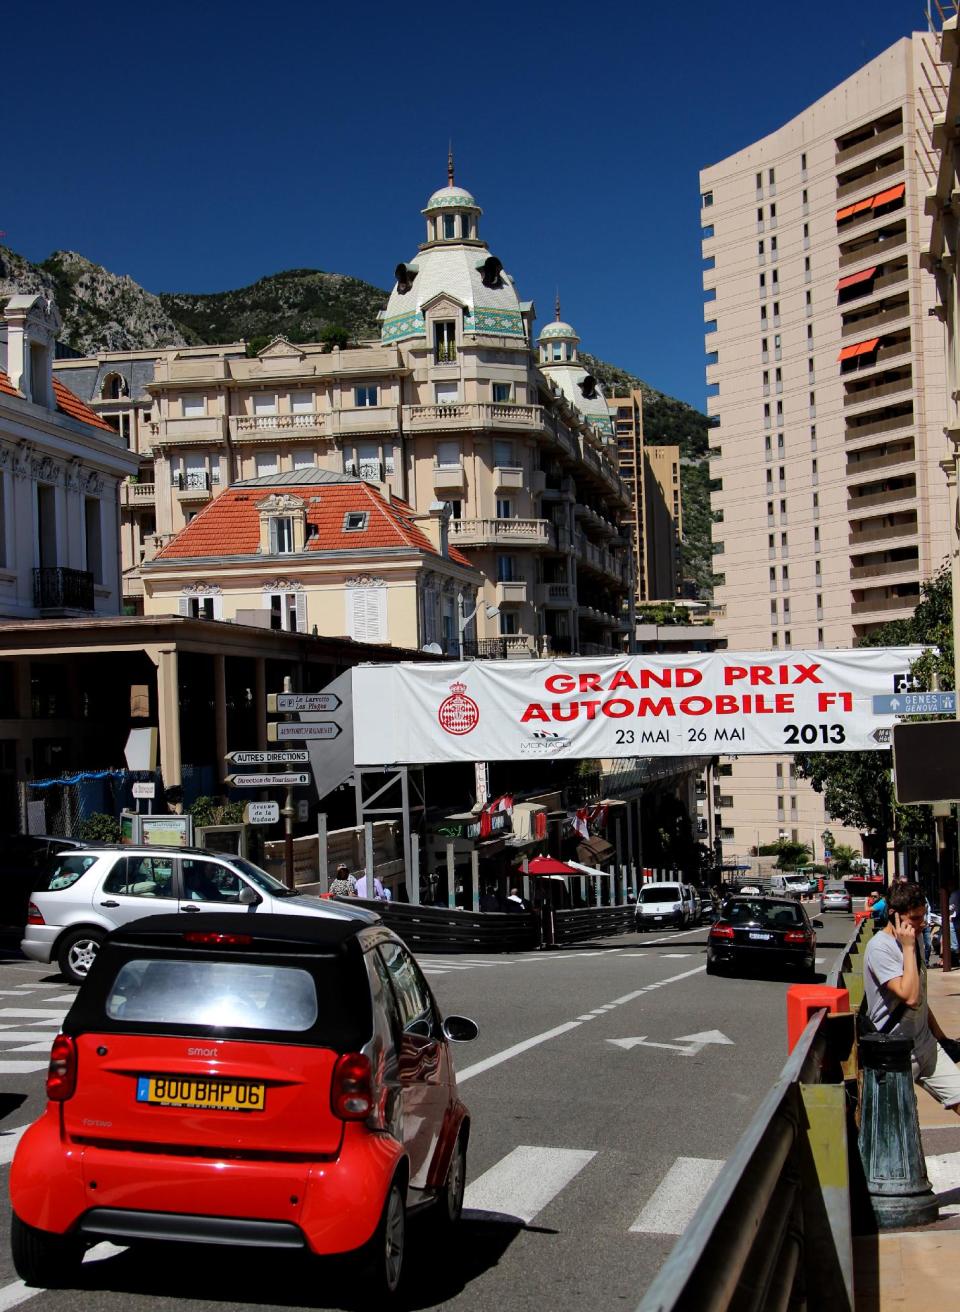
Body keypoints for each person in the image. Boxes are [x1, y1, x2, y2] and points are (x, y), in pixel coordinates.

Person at [864, 881, 960, 1116]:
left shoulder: (913, 938)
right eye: (915, 918)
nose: (922, 924)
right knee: (898, 1126)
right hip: (895, 1052)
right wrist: (908, 949)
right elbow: (910, 996)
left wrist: (941, 1038)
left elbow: (922, 999)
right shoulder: (880, 948)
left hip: (925, 1043)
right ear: (894, 915)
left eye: (923, 916)